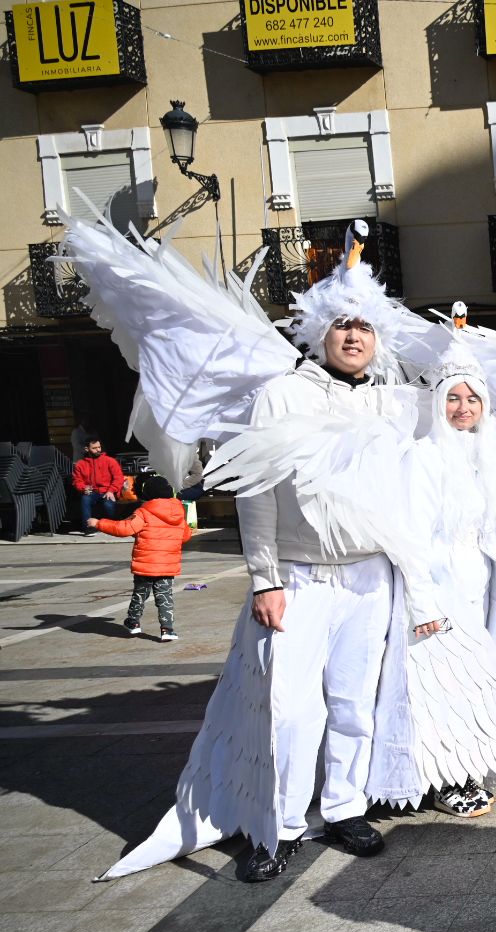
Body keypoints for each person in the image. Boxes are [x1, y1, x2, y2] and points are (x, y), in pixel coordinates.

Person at [97, 225, 442, 883]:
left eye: (364, 327)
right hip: (301, 578)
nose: (352, 336)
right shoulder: (282, 395)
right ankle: (281, 827)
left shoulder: (391, 405)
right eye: (341, 325)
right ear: (318, 331)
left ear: (378, 339)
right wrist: (265, 579)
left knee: (352, 703)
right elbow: (255, 494)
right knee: (290, 708)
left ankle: (343, 808)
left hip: (371, 579)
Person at [408, 349, 496, 816]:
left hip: (478, 579)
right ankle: (446, 779)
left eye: (472, 399)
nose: (462, 408)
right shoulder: (422, 455)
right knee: (440, 682)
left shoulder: (486, 455)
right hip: (440, 585)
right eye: (452, 398)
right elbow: (412, 533)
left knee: (475, 680)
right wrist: (423, 601)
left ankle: (468, 767)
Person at [88, 472, 192, 642]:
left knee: (140, 594)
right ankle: (167, 629)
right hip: (167, 566)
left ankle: (133, 622)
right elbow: (186, 536)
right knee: (165, 597)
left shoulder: (144, 512)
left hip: (146, 565)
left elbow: (124, 528)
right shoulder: (178, 513)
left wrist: (99, 523)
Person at [72, 437, 124, 534]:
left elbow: (119, 477)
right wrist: (84, 488)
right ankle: (88, 528)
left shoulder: (110, 461)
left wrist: (111, 490)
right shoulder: (80, 464)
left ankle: (114, 525)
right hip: (92, 492)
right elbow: (77, 481)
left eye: (99, 447)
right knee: (85, 499)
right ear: (87, 449)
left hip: (107, 490)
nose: (98, 450)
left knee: (108, 504)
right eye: (94, 448)